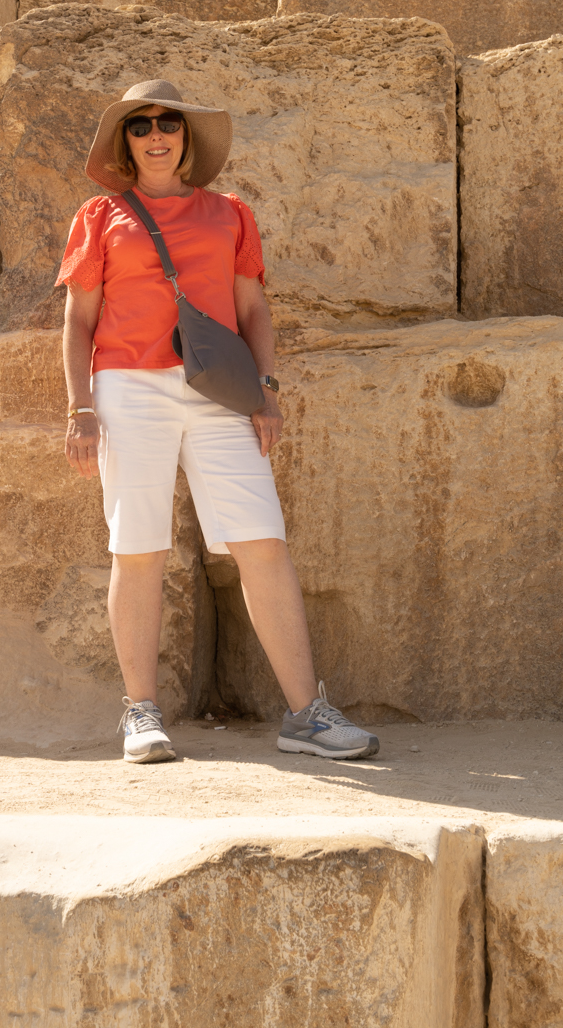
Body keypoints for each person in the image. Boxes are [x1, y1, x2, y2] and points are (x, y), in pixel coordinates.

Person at [57, 78, 380, 765]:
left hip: (219, 390)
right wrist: (80, 407)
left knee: (263, 540)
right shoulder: (100, 216)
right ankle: (141, 714)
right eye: (140, 126)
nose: (155, 136)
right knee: (138, 548)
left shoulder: (230, 213)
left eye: (167, 123)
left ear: (186, 137)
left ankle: (306, 716)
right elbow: (79, 319)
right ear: (125, 143)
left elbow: (253, 308)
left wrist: (267, 391)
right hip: (128, 387)